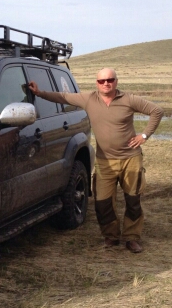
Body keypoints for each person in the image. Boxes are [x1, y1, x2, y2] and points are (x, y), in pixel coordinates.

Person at [28, 67, 163, 253]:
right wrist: (39, 93)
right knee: (102, 201)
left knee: (133, 200)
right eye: (101, 81)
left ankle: (132, 237)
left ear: (116, 81)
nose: (106, 83)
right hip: (104, 161)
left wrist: (145, 136)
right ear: (96, 83)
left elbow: (157, 111)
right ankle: (111, 236)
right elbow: (63, 97)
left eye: (110, 80)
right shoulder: (89, 99)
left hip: (130, 159)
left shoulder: (129, 99)